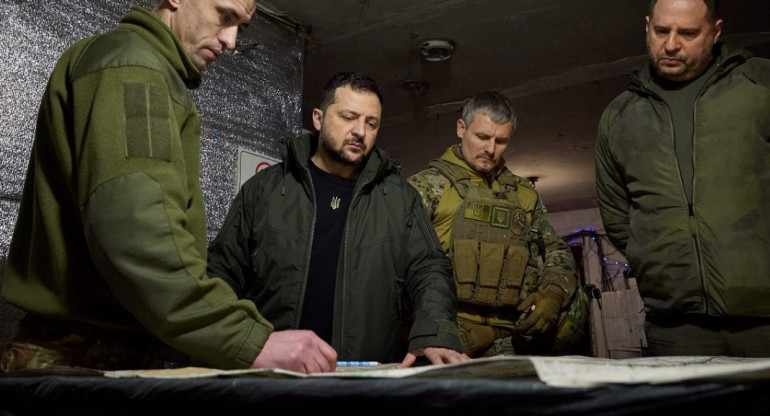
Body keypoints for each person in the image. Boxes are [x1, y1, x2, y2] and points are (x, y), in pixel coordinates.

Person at [0, 0, 339, 374]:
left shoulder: (145, 68)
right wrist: (244, 338)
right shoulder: (135, 65)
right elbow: (137, 232)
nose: (230, 41)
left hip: (105, 350)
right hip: (81, 356)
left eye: (240, 28)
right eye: (224, 16)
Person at [206, 72, 469, 367]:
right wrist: (237, 343)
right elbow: (221, 271)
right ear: (318, 119)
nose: (360, 131)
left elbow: (430, 269)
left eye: (372, 123)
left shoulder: (399, 198)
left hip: (364, 379)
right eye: (348, 117)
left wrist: (434, 332)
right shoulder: (265, 190)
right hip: (275, 375)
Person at [595, 0, 770, 356]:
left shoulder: (760, 83)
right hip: (675, 328)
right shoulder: (620, 116)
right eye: (661, 31)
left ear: (716, 31)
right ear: (647, 27)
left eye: (688, 33)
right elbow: (618, 217)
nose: (671, 44)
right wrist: (659, 261)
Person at [408, 91, 586, 358]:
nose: (490, 150)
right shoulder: (426, 188)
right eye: (482, 137)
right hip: (448, 343)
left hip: (514, 343)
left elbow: (556, 251)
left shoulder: (523, 193)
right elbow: (396, 267)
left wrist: (552, 294)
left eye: (501, 141)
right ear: (461, 128)